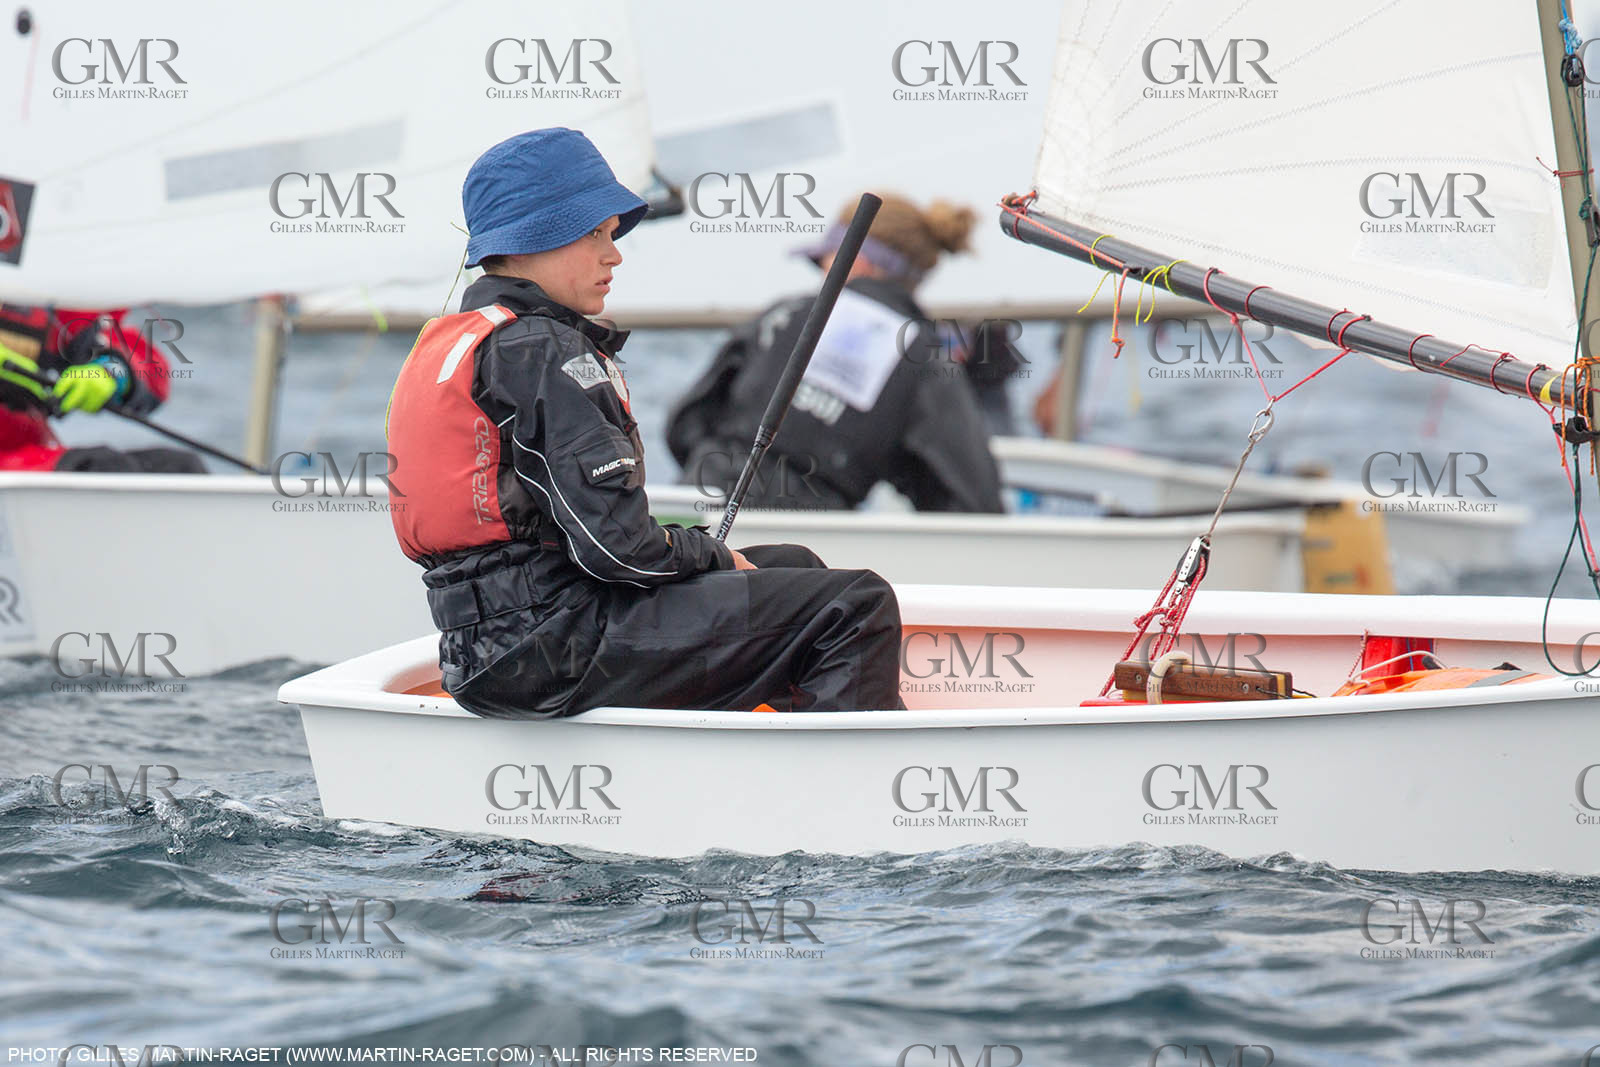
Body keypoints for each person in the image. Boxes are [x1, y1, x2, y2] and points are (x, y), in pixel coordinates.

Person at [384, 127, 904, 719]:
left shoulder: (460, 343)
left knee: (793, 567)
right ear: (532, 240)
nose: (615, 254)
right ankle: (848, 786)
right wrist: (711, 556)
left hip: (484, 653)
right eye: (594, 234)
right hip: (555, 647)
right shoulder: (542, 351)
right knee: (856, 603)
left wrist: (710, 559)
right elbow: (620, 552)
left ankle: (749, 759)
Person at [666, 193, 1005, 512]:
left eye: (824, 261)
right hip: (806, 542)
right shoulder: (925, 359)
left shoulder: (786, 314)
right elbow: (974, 498)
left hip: (700, 506)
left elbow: (685, 422)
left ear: (857, 261)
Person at [0, 304, 202, 472]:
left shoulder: (41, 292)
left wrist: (111, 370)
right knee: (101, 467)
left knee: (180, 468)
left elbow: (150, 367)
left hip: (30, 457)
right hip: (20, 471)